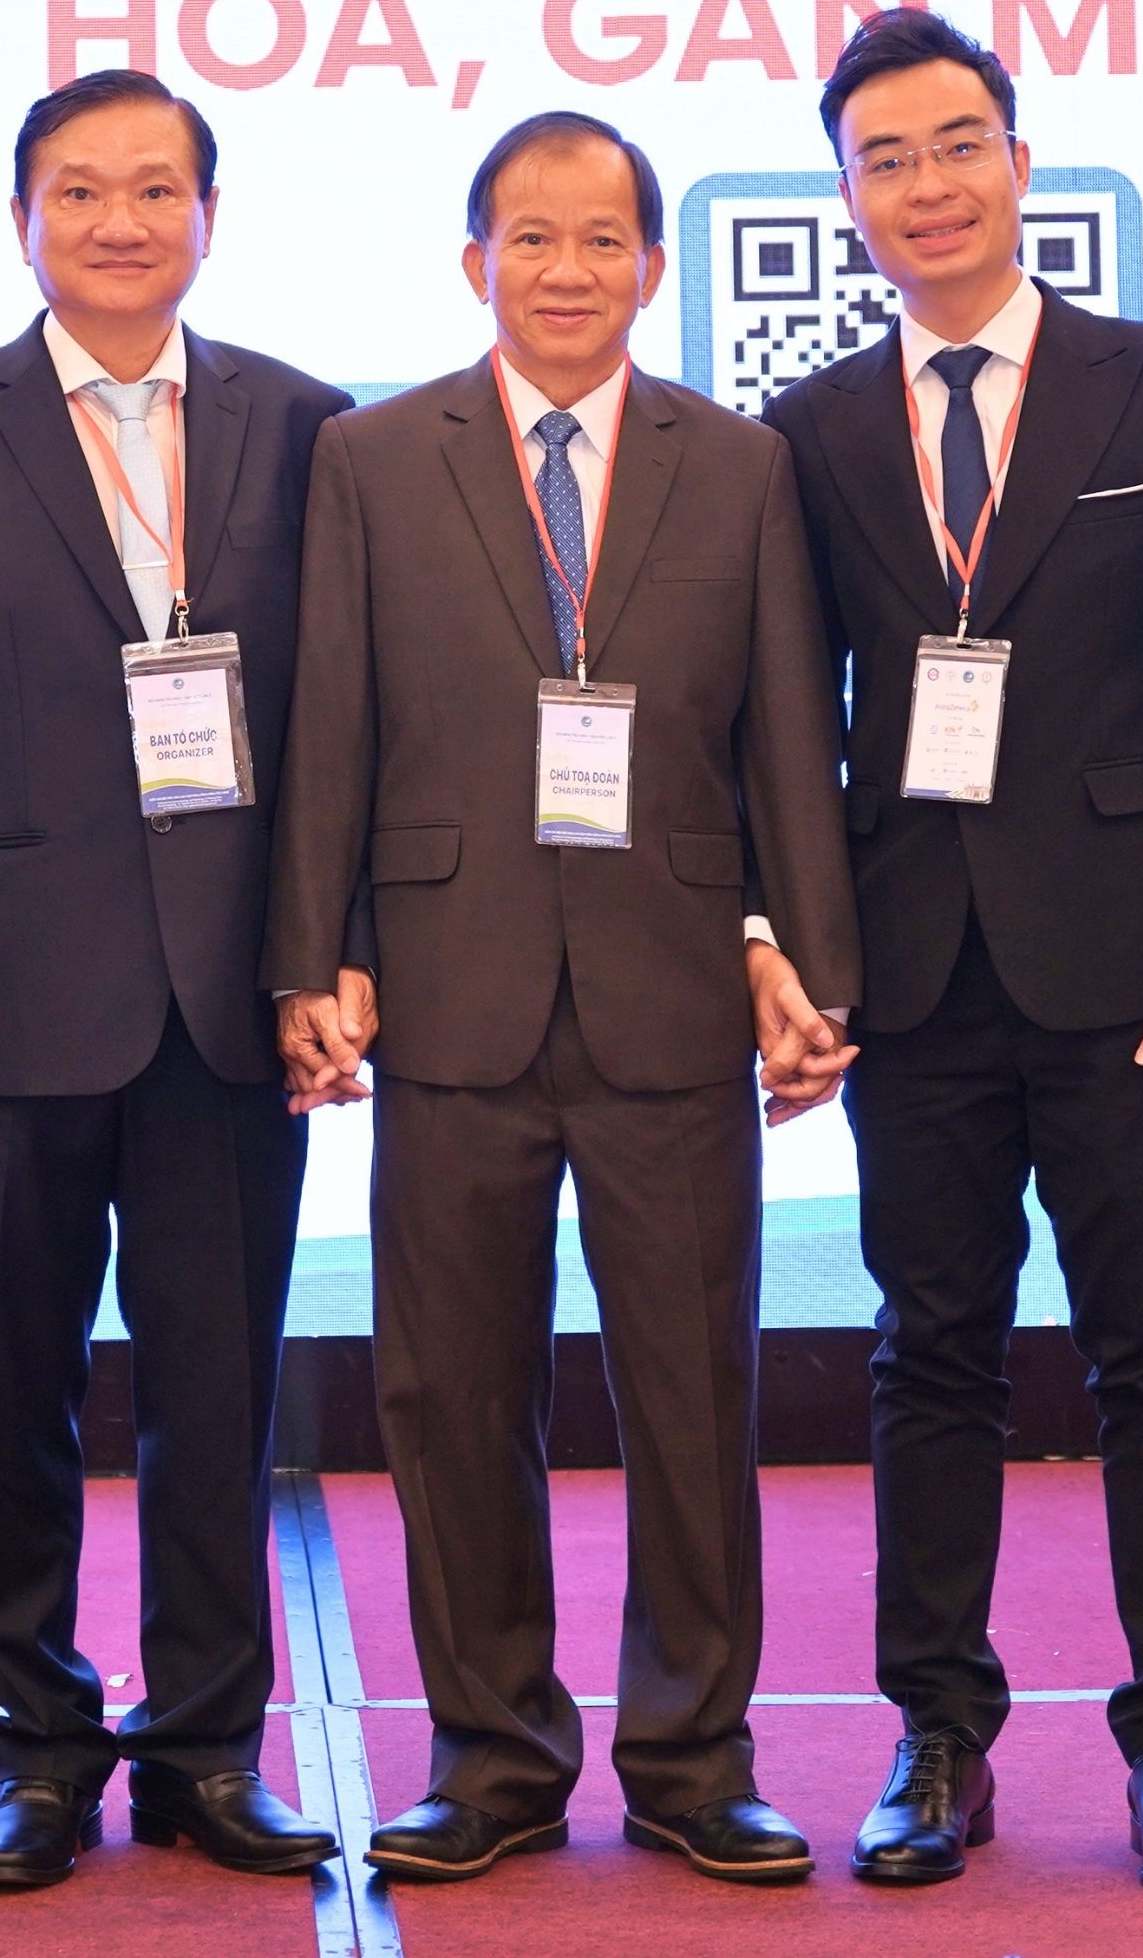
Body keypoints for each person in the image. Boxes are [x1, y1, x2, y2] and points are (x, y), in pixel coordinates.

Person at [265, 111, 858, 1888]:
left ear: (653, 268)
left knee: (692, 1392)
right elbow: (331, 729)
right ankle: (493, 1755)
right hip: (448, 993)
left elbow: (789, 739)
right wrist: (314, 954)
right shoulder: (372, 457)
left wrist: (808, 965)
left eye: (604, 239)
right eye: (533, 237)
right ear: (477, 263)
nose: (569, 270)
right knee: (450, 1399)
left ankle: (693, 1757)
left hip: (673, 995)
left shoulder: (739, 464)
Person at [0, 70, 349, 1891]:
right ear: (22, 220)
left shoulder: (305, 426)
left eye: (156, 189)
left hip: (230, 997)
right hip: (10, 985)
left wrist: (329, 958)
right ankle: (38, 1748)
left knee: (221, 1395)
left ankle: (205, 1748)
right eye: (81, 191)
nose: (121, 222)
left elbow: (345, 732)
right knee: (15, 1393)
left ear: (210, 215)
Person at [760, 9, 1143, 1901]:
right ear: (849, 198)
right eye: (885, 160)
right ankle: (938, 1736)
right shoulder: (810, 428)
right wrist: (791, 949)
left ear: (1019, 159)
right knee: (931, 1356)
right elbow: (785, 723)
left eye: (955, 143)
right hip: (913, 971)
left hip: (1134, 972)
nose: (926, 184)